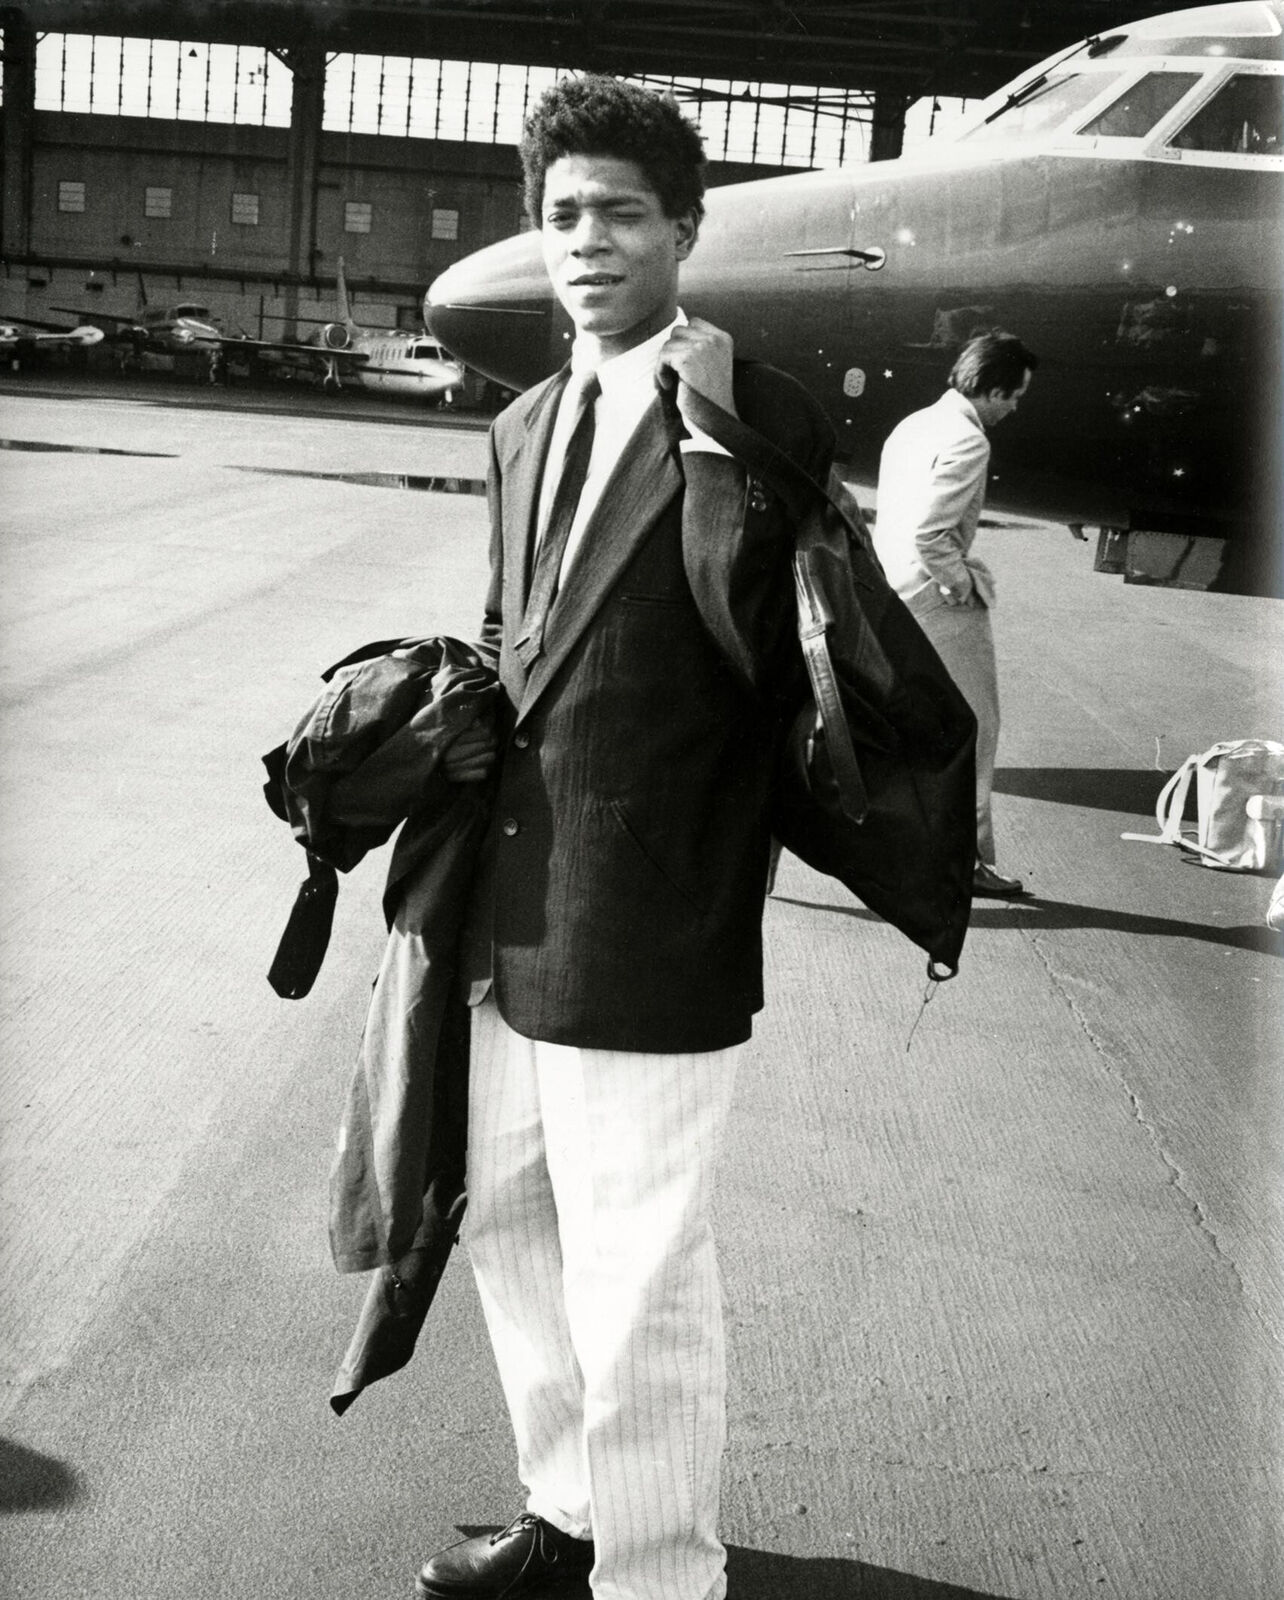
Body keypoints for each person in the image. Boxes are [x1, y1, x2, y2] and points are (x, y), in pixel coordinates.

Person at [416, 76, 835, 1600]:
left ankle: (660, 1576)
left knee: (640, 1268)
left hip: (658, 907)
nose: (585, 241)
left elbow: (770, 654)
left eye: (620, 214)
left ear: (686, 232)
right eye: (562, 214)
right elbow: (513, 636)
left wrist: (713, 434)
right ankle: (573, 1507)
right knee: (509, 1222)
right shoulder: (524, 423)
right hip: (508, 902)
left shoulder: (756, 412)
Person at [872, 331, 1038, 898]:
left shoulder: (914, 424)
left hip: (892, 591)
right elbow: (931, 534)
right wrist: (962, 583)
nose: (1015, 409)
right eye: (1014, 396)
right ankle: (963, 861)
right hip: (936, 599)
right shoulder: (968, 440)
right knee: (975, 729)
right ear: (992, 390)